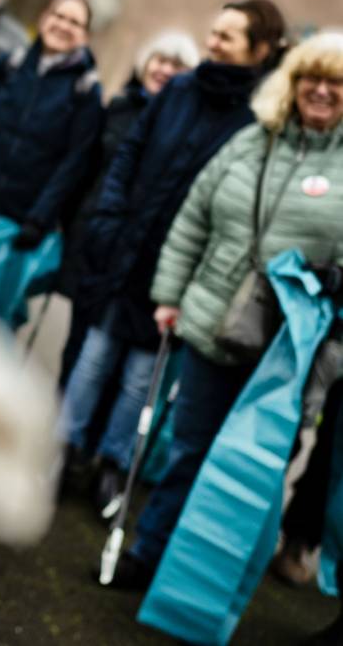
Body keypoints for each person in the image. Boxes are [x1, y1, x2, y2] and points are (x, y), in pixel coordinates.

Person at [104, 29, 343, 593]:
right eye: (312, 76)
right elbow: (193, 218)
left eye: (337, 82)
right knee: (188, 451)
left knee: (254, 468)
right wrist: (168, 295)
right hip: (215, 321)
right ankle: (149, 553)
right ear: (293, 81)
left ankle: (203, 580)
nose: (323, 90)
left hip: (290, 352)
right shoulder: (251, 140)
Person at [60, 0, 287, 514]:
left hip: (180, 268)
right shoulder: (181, 89)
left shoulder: (259, 115)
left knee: (141, 377)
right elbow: (131, 152)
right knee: (93, 359)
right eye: (214, 32)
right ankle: (65, 448)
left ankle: (114, 464)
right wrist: (110, 216)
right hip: (126, 248)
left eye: (227, 37)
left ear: (259, 50)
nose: (213, 43)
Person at [56, 29, 200, 389]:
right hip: (93, 233)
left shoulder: (182, 127)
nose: (165, 69)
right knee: (78, 339)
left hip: (133, 252)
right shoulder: (119, 107)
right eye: (160, 60)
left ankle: (83, 433)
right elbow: (84, 167)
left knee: (107, 350)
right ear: (145, 62)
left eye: (177, 65)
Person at [0, 0, 102, 246]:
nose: (63, 26)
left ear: (85, 36)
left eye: (74, 22)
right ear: (44, 18)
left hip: (19, 223)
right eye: (58, 16)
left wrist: (39, 218)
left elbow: (75, 162)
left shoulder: (86, 89)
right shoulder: (9, 64)